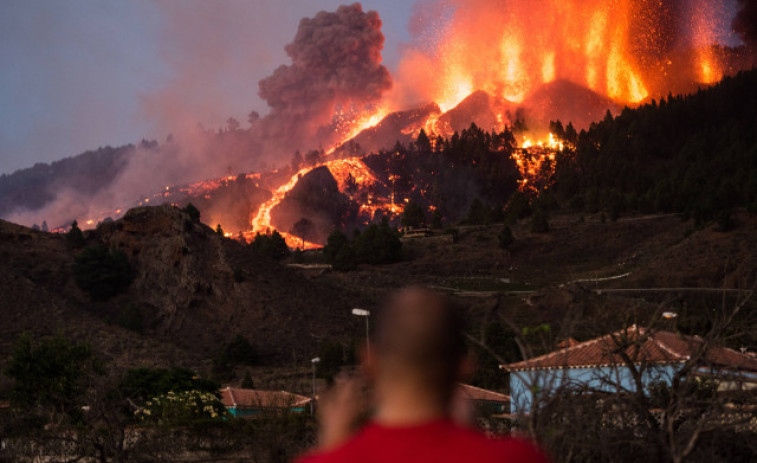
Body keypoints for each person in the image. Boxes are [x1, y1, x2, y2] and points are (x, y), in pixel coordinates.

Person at [296, 287, 550, 463]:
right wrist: (468, 435)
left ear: (369, 362)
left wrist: (330, 449)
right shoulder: (519, 458)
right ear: (465, 367)